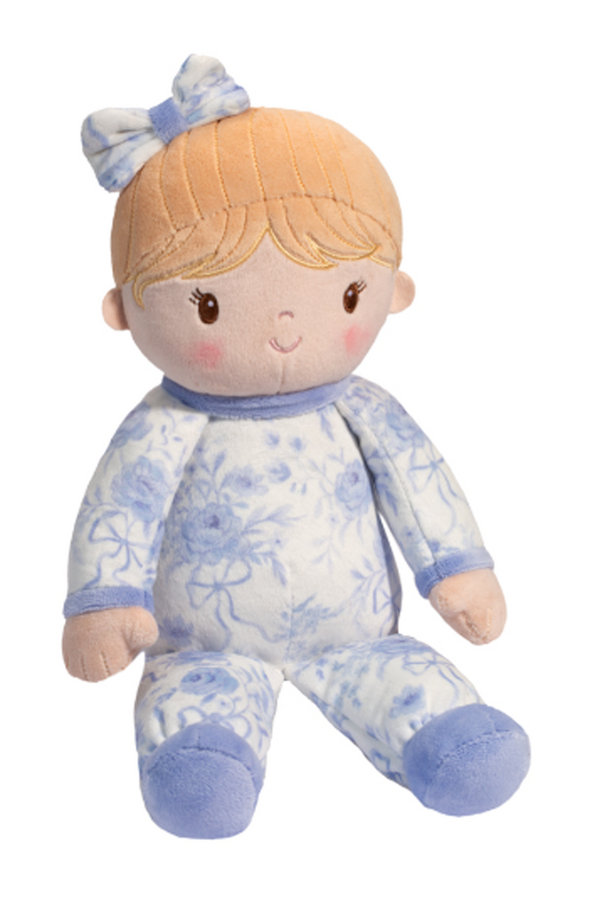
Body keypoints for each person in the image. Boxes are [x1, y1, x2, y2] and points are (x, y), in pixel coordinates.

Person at [63, 55, 530, 838]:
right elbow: (120, 509)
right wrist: (105, 601)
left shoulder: (365, 408)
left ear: (394, 291)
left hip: (361, 637)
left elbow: (420, 483)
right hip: (201, 644)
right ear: (123, 312)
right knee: (197, 739)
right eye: (208, 305)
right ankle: (203, 751)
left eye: (346, 293)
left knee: (421, 699)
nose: (283, 329)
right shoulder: (163, 423)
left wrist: (458, 569)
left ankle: (441, 734)